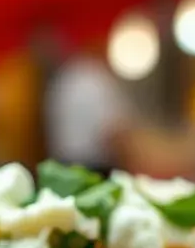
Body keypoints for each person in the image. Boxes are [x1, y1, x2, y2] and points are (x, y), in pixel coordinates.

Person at [45, 44, 132, 173]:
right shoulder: (97, 79)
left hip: (61, 166)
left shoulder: (64, 76)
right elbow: (112, 134)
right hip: (93, 170)